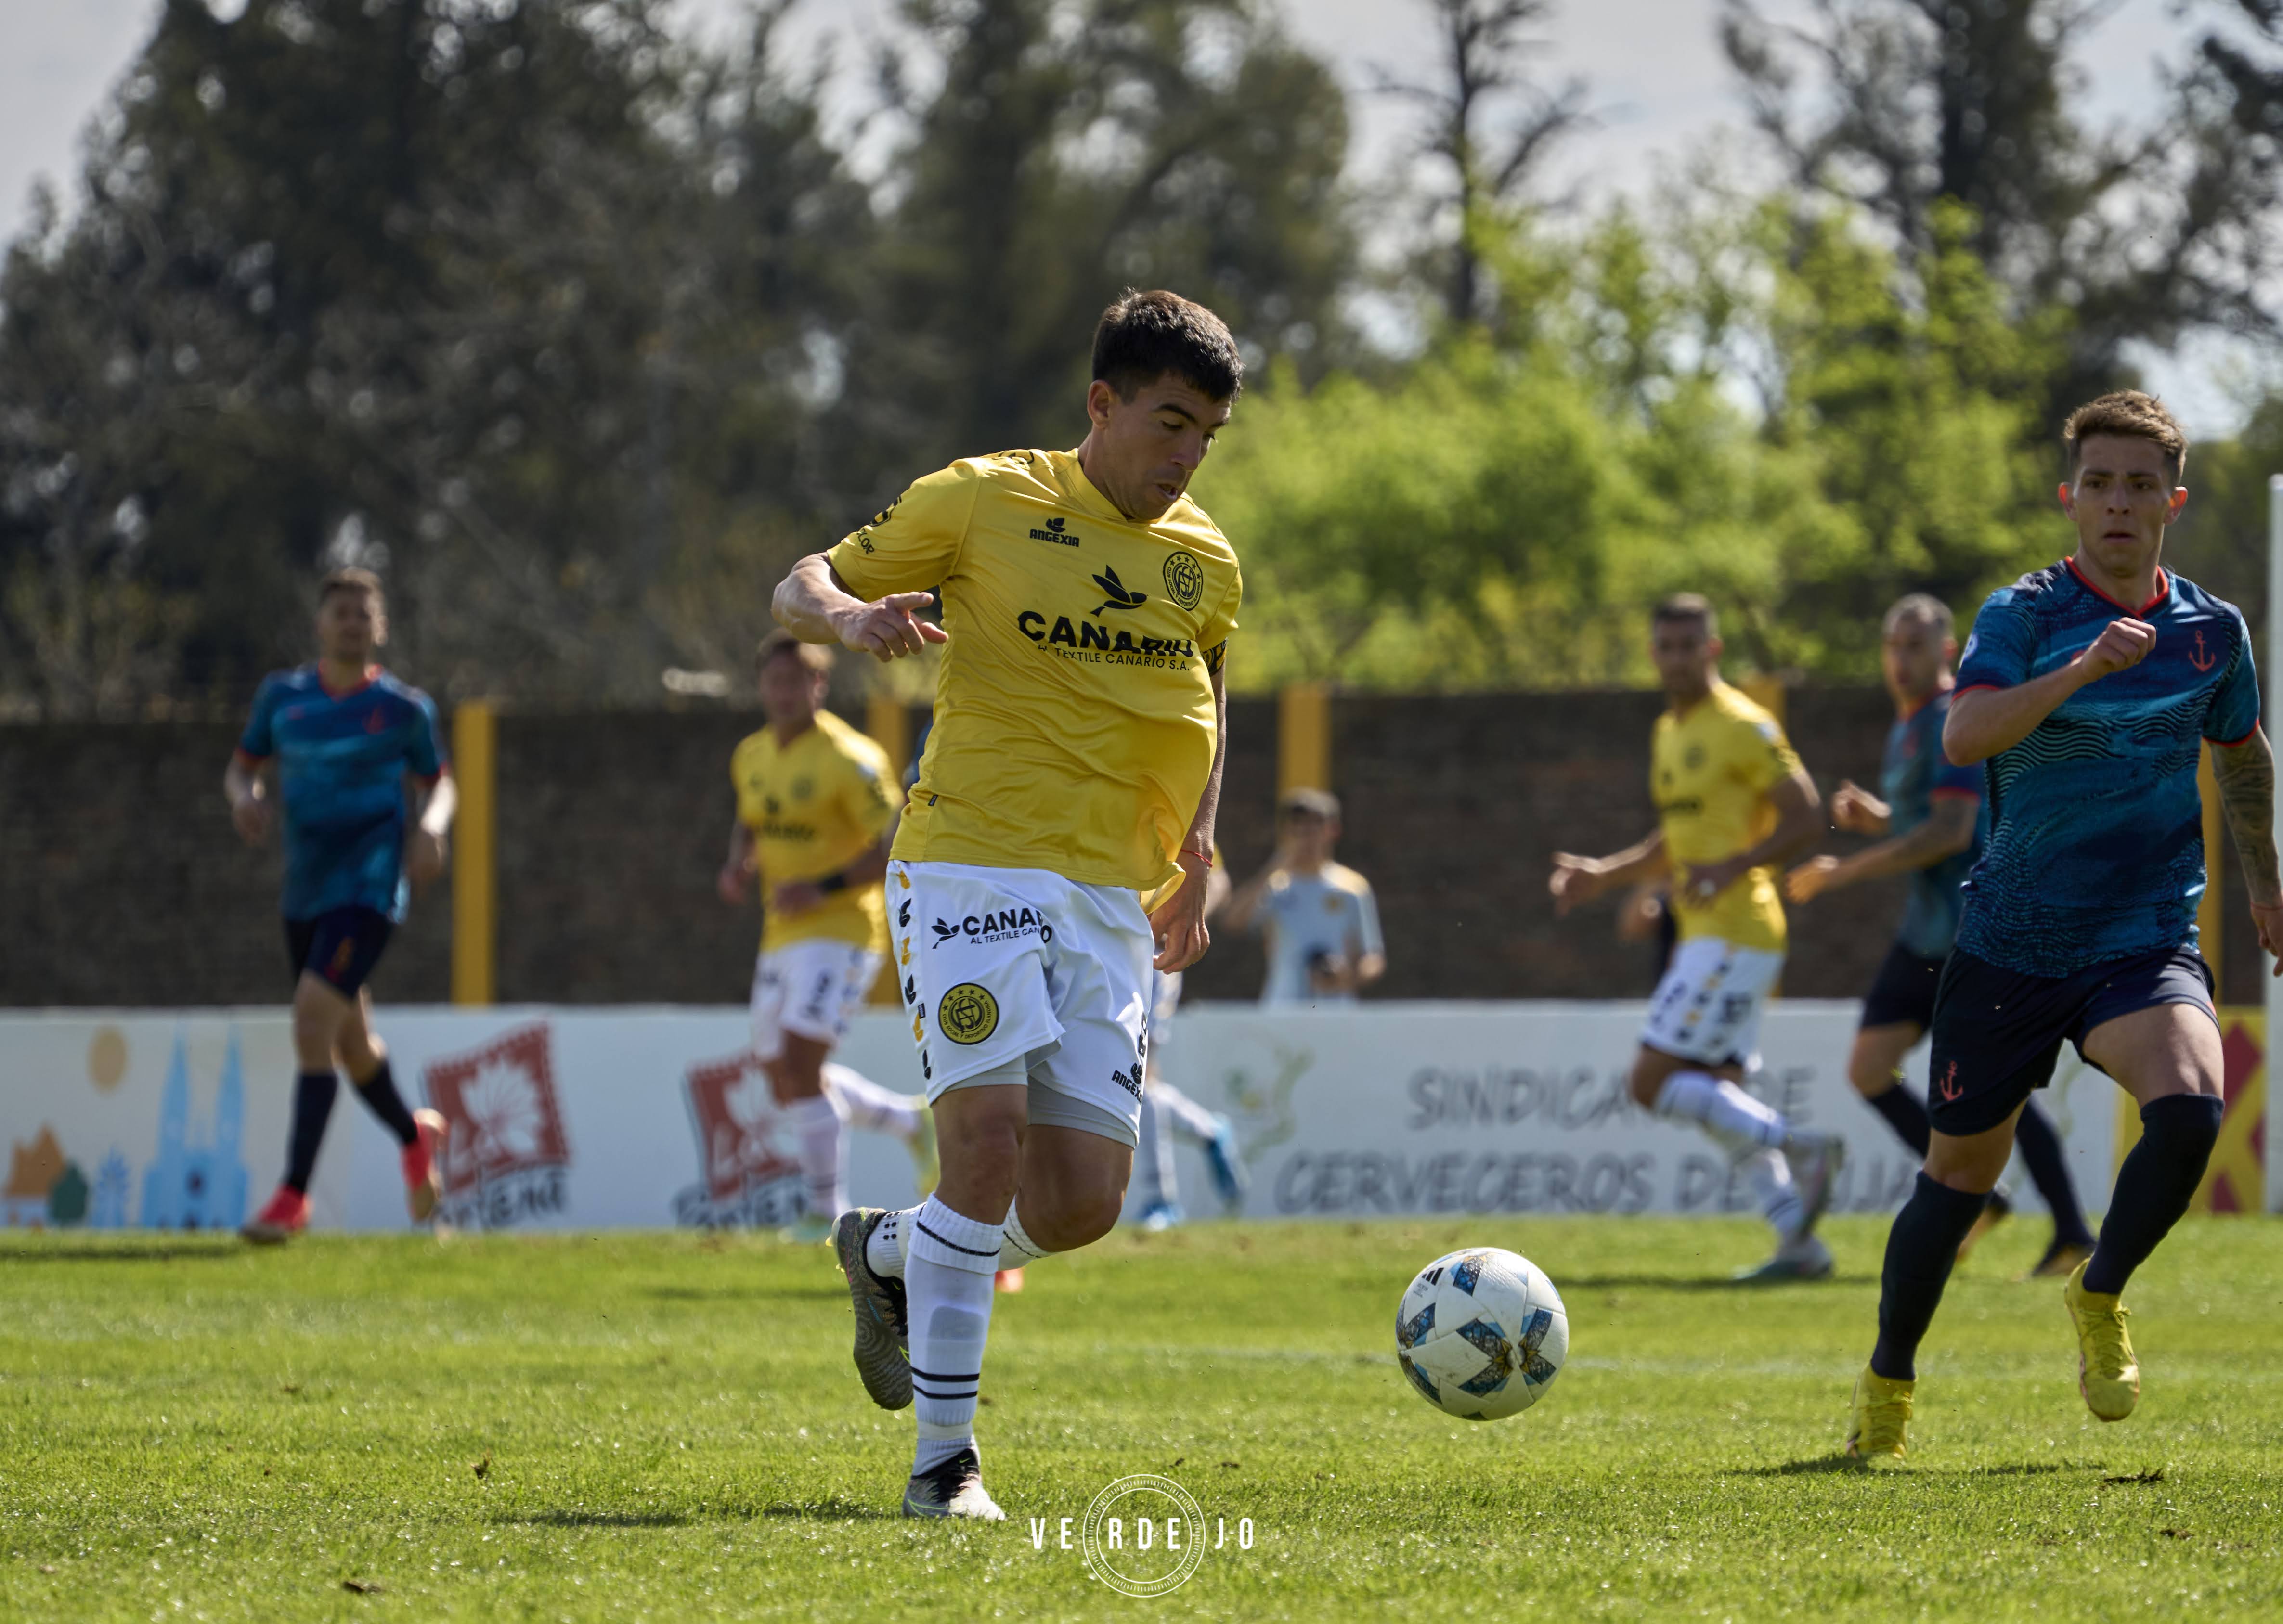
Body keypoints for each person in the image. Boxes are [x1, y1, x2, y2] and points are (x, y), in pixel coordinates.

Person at [771, 288, 1242, 1519]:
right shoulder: (982, 497)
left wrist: (1197, 845)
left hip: (1107, 897)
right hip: (971, 863)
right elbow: (799, 579)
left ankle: (888, 1252)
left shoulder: (1205, 559)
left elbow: (1210, 691)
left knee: (1082, 1203)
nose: (1186, 456)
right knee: (980, 1150)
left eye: (1207, 437)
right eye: (1169, 423)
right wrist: (848, 616)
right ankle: (943, 1469)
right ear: (1103, 404)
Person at [1843, 392, 2281, 1464]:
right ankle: (1888, 1382)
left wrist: (2267, 888)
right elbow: (1969, 726)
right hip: (2009, 945)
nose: (2118, 503)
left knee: (2188, 1110)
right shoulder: (2024, 613)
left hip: (2140, 941)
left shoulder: (2210, 632)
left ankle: (2099, 1290)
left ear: (2172, 501)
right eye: (2099, 483)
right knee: (1956, 1181)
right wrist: (2085, 668)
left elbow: (2243, 757)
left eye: (2140, 484)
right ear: (2069, 497)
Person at [1785, 595, 2096, 1276]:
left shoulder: (1952, 715)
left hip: (1972, 933)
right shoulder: (1906, 725)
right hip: (1925, 934)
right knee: (1869, 1069)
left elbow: (1949, 832)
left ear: (1946, 651)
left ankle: (2072, 1231)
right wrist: (1876, 818)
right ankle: (1978, 1196)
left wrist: (1844, 868)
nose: (1900, 659)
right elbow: (1922, 817)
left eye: (1915, 646)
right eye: (1892, 645)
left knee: (2002, 1092)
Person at [1549, 596, 1847, 1281]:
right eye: (1665, 646)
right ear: (1653, 653)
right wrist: (1601, 875)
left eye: (1689, 645)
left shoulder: (1743, 724)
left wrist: (1734, 866)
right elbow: (1672, 841)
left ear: (1712, 650)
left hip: (1738, 933)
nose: (1676, 657)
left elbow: (1807, 816)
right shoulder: (1667, 730)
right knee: (1718, 1096)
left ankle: (1803, 1148)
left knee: (1650, 1081)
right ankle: (1797, 1243)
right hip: (1708, 935)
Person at [226, 568, 453, 1242]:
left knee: (309, 1025)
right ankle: (414, 1134)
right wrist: (243, 796)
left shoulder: (404, 709)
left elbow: (439, 783)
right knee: (352, 1044)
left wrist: (433, 825)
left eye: (364, 612)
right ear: (320, 624)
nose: (352, 621)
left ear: (379, 627)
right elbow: (242, 764)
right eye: (341, 611)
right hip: (305, 892)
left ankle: (293, 1199)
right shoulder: (283, 699)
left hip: (369, 891)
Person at [717, 632, 938, 1245]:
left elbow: (893, 839)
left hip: (843, 930)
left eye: (798, 682)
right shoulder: (752, 754)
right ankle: (907, 1119)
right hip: (781, 932)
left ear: (820, 686)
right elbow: (749, 819)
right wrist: (739, 862)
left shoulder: (851, 757)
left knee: (798, 1062)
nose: (784, 694)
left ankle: (828, 1211)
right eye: (775, 682)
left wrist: (822, 885)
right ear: (762, 686)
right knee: (781, 1076)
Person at [1135, 859, 1250, 1230]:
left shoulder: (1172, 809)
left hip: (1153, 957)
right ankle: (1208, 1130)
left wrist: (1182, 920)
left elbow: (1217, 877)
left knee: (1141, 1076)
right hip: (1109, 950)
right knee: (1124, 1077)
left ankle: (1161, 1201)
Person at [1220, 788, 1386, 1005]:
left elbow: (1373, 958)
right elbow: (1233, 922)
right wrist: (1275, 866)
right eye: (1298, 826)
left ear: (1333, 830)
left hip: (1337, 1012)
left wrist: (1346, 977)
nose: (1306, 834)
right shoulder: (1276, 884)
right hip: (1282, 1007)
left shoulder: (1353, 887)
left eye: (1314, 825)